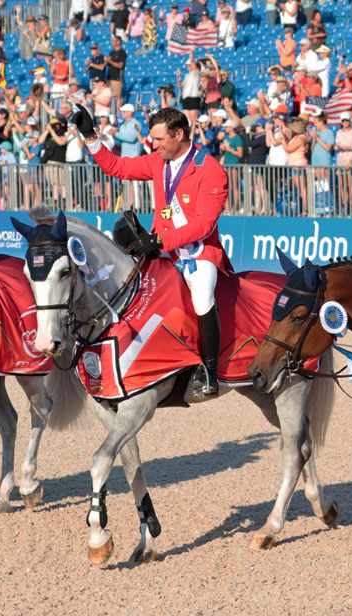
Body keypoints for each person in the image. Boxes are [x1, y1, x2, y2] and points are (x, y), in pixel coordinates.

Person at [73, 106, 229, 398]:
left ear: (179, 134)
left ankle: (210, 371)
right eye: (153, 139)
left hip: (197, 253)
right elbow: (116, 167)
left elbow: (205, 225)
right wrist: (90, 135)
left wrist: (159, 242)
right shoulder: (159, 161)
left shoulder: (211, 170)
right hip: (162, 250)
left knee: (202, 296)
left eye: (159, 139)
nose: (153, 145)